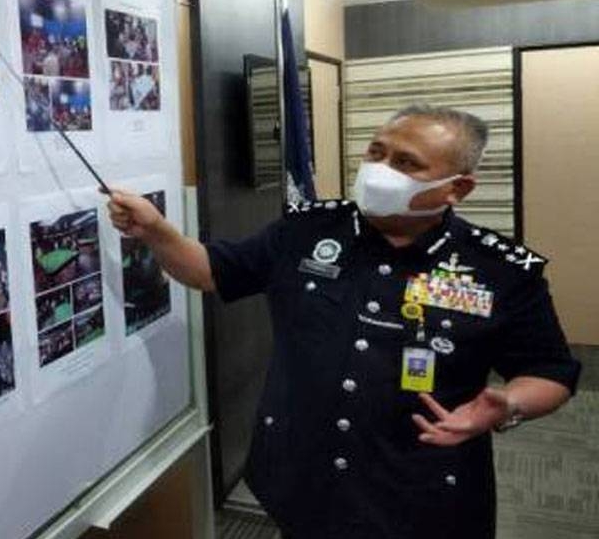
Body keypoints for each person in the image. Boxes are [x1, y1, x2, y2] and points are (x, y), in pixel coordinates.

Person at [107, 104, 580, 539]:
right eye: (377, 152)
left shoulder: (499, 269)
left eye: (407, 163)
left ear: (457, 187)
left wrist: (511, 403)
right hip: (302, 478)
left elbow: (551, 372)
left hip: (422, 493)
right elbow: (210, 270)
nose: (380, 169)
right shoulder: (307, 229)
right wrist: (156, 229)